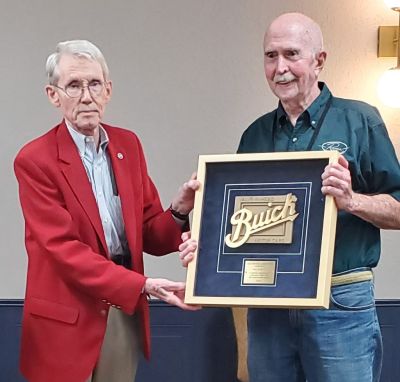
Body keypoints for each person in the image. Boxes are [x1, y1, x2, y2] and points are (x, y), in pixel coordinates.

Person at [179, 12, 400, 382]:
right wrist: (203, 250)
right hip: (269, 307)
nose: (280, 67)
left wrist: (351, 201)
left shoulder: (360, 121)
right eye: (270, 56)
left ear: (319, 61)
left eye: (292, 54)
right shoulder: (255, 136)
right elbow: (236, 223)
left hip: (340, 299)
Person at [14, 39, 200, 382]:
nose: (86, 96)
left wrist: (178, 209)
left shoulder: (128, 145)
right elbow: (64, 251)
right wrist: (143, 284)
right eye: (73, 85)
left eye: (94, 83)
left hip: (121, 315)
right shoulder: (34, 160)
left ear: (108, 90)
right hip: (64, 325)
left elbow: (149, 234)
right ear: (53, 95)